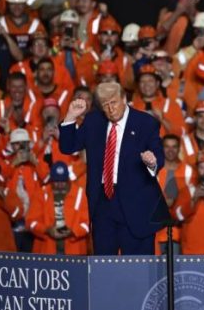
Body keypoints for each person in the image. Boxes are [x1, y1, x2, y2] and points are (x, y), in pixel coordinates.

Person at [59, 82, 167, 255]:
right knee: (103, 263)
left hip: (136, 205)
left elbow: (158, 156)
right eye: (105, 105)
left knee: (137, 266)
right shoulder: (93, 121)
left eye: (114, 102)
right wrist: (71, 116)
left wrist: (152, 162)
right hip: (103, 204)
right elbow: (68, 146)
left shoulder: (145, 123)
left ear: (124, 99)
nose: (110, 109)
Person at [27, 161, 90, 255]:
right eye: (56, 181)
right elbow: (31, 222)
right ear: (51, 180)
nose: (60, 185)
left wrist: (72, 232)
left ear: (68, 179)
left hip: (74, 251)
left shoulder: (80, 195)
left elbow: (87, 224)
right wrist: (47, 230)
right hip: (47, 250)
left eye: (63, 181)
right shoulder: (41, 194)